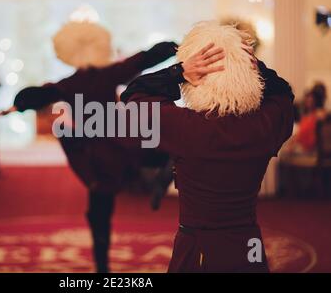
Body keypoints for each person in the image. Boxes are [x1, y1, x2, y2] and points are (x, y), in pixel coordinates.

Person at [0, 20, 188, 273]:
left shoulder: (69, 83)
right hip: (120, 143)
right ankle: (160, 172)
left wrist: (15, 107)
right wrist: (175, 48)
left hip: (93, 154)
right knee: (152, 149)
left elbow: (37, 95)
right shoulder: (109, 74)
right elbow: (144, 59)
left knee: (100, 209)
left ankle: (102, 267)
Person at [118, 21, 294, 272]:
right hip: (249, 246)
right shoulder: (265, 126)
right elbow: (283, 94)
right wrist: (255, 65)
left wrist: (179, 72)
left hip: (197, 249)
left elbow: (133, 95)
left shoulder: (184, 127)